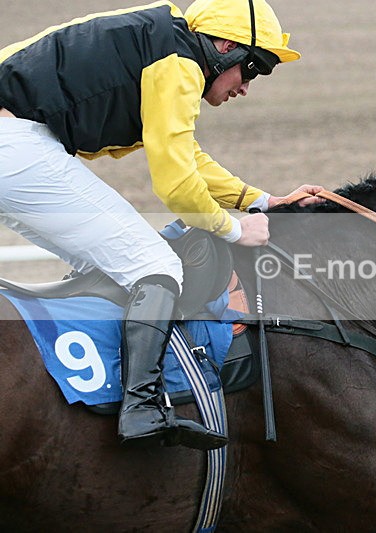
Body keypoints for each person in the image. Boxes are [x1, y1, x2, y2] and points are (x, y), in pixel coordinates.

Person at [0, 0, 323, 451]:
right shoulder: (179, 63)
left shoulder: (163, 47)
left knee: (114, 264)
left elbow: (186, 156)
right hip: (17, 149)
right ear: (225, 45)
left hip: (16, 145)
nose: (247, 86)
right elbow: (175, 183)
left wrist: (262, 201)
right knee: (155, 265)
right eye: (254, 67)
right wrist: (234, 229)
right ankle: (142, 409)